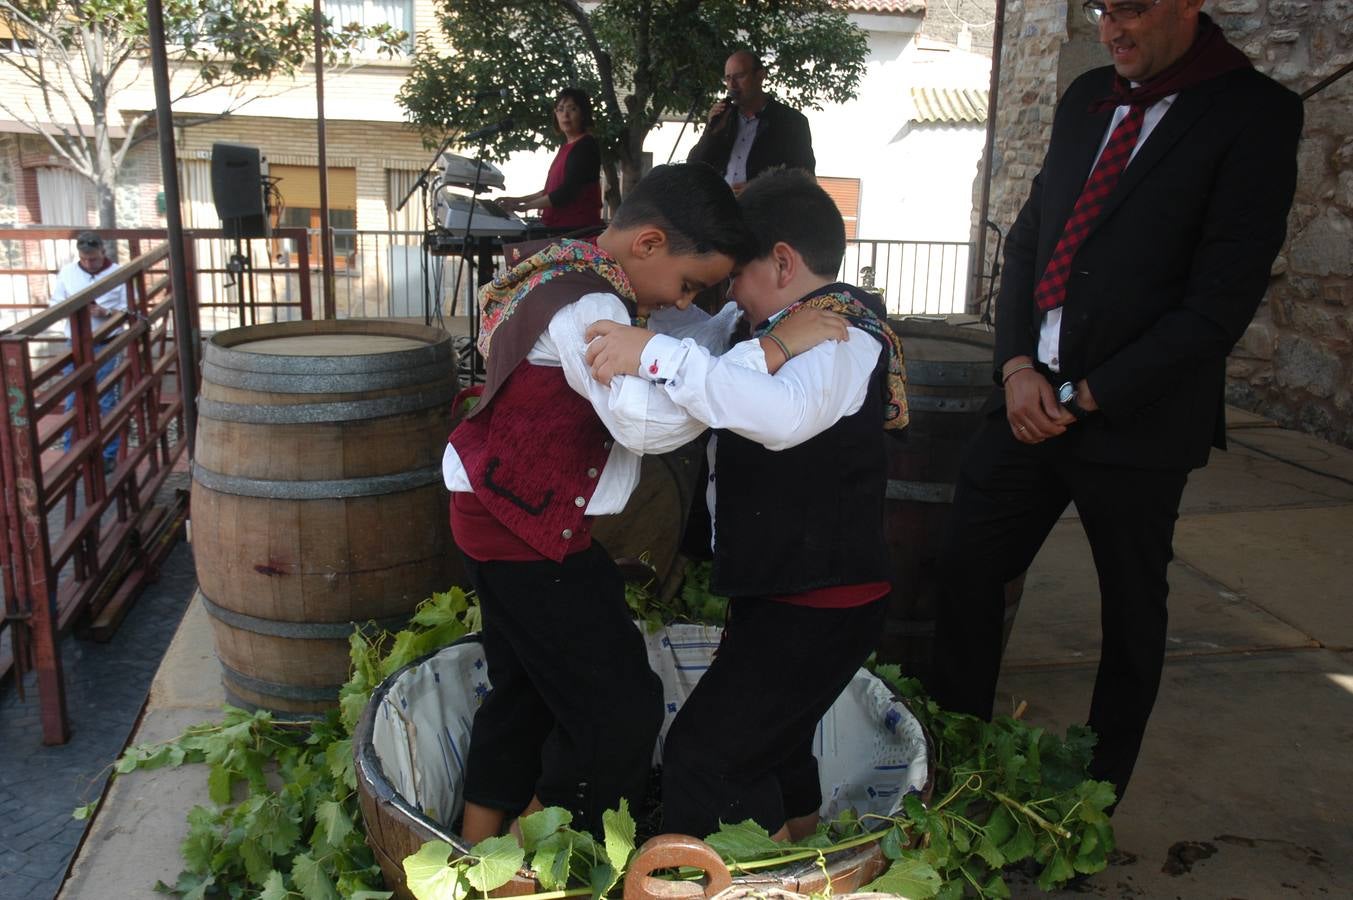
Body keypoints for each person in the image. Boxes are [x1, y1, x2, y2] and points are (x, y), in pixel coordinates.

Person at [928, 0, 1303, 810]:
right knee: (962, 569)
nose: (1111, 27)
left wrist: (1094, 392)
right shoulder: (1085, 95)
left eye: (1129, 8)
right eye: (1101, 9)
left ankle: (1088, 803)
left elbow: (1219, 300)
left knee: (1129, 614)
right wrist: (1017, 365)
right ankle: (954, 766)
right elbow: (1030, 238)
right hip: (1031, 398)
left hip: (1136, 418)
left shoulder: (1255, 113)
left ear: (1186, 5)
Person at [444, 163, 842, 843]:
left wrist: (715, 339)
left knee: (524, 692)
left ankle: (473, 845)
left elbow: (671, 353)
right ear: (650, 244)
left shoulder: (568, 269)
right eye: (689, 285)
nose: (681, 302)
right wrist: (769, 351)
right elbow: (643, 424)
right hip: (525, 529)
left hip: (500, 512)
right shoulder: (593, 306)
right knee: (619, 710)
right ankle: (530, 861)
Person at [585, 168, 907, 841]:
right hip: (781, 589)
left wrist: (654, 354)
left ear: (783, 262)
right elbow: (710, 350)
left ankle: (722, 878)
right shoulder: (759, 322)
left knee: (705, 756)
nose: (725, 292)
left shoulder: (840, 337)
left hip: (823, 601)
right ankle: (798, 853)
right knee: (774, 740)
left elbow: (779, 415)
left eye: (736, 274)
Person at [687, 50, 815, 194]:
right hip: (721, 210)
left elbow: (805, 176)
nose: (732, 85)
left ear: (760, 76)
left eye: (739, 76)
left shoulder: (790, 121)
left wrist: (760, 187)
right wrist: (711, 133)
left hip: (764, 210)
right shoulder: (725, 118)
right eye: (728, 78)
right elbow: (693, 166)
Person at [50, 231, 127, 470]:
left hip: (105, 340)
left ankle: (108, 455)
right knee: (73, 399)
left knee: (105, 398)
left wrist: (106, 313)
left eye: (93, 259)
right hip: (75, 341)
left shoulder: (118, 274)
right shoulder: (68, 273)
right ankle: (71, 454)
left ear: (103, 253)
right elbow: (55, 304)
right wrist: (73, 311)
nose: (89, 263)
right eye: (84, 259)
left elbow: (128, 309)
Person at [498, 88, 603, 230]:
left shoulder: (585, 146)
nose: (565, 115)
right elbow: (550, 191)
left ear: (583, 114)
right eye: (560, 109)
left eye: (572, 109)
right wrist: (517, 200)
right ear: (555, 114)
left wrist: (524, 207)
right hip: (559, 227)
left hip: (576, 231)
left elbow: (566, 193)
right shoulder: (566, 146)